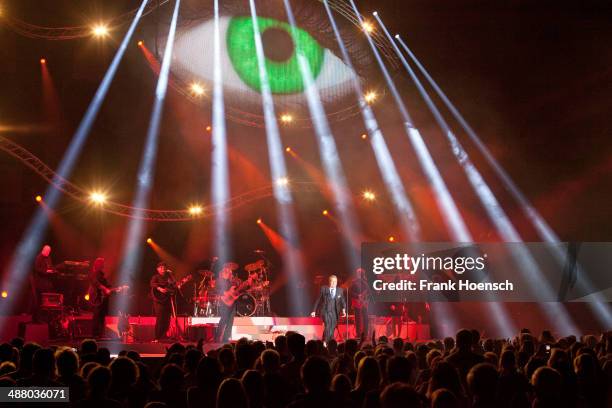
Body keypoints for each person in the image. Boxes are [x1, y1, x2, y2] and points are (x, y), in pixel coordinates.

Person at [311, 275, 346, 343]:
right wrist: (313, 311)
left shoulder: (340, 290)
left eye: (335, 281)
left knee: (332, 327)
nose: (334, 283)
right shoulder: (324, 289)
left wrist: (344, 309)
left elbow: (343, 301)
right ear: (329, 282)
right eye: (332, 281)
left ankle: (326, 341)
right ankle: (327, 342)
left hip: (335, 312)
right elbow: (318, 299)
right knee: (327, 325)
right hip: (325, 311)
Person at [215, 262, 241, 343]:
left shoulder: (231, 281)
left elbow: (234, 291)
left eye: (230, 272)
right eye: (227, 271)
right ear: (223, 272)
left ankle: (226, 338)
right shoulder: (219, 280)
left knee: (230, 321)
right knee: (224, 319)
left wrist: (236, 292)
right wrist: (225, 293)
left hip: (232, 302)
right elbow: (217, 290)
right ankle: (217, 336)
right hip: (224, 302)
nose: (229, 273)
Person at [88, 258, 112, 338]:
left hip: (101, 298)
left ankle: (100, 334)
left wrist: (116, 289)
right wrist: (104, 289)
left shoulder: (102, 275)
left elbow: (107, 286)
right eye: (103, 263)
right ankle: (95, 334)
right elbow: (96, 283)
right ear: (100, 264)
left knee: (102, 315)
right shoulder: (94, 273)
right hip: (96, 298)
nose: (104, 265)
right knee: (97, 315)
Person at [150, 262, 174, 342]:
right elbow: (152, 284)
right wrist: (159, 288)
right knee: (160, 318)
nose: (163, 269)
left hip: (166, 300)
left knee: (167, 318)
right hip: (158, 300)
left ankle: (164, 335)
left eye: (164, 268)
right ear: (158, 269)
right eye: (161, 267)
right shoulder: (155, 277)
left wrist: (171, 275)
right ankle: (157, 337)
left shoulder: (169, 277)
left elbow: (173, 285)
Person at [31, 244, 55, 321]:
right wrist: (46, 271)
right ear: (43, 250)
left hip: (47, 282)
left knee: (47, 301)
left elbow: (50, 266)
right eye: (47, 251)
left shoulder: (48, 257)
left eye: (49, 252)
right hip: (40, 283)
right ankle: (37, 318)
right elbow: (37, 268)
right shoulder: (39, 257)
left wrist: (52, 270)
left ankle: (45, 318)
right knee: (39, 301)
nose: (48, 253)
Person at [350, 268, 371, 340]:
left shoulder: (365, 282)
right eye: (359, 273)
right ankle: (358, 334)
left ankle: (365, 333)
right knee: (357, 318)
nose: (360, 274)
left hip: (363, 302)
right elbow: (350, 292)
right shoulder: (354, 282)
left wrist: (366, 299)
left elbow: (369, 292)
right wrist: (358, 296)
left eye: (361, 273)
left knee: (365, 318)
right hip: (357, 302)